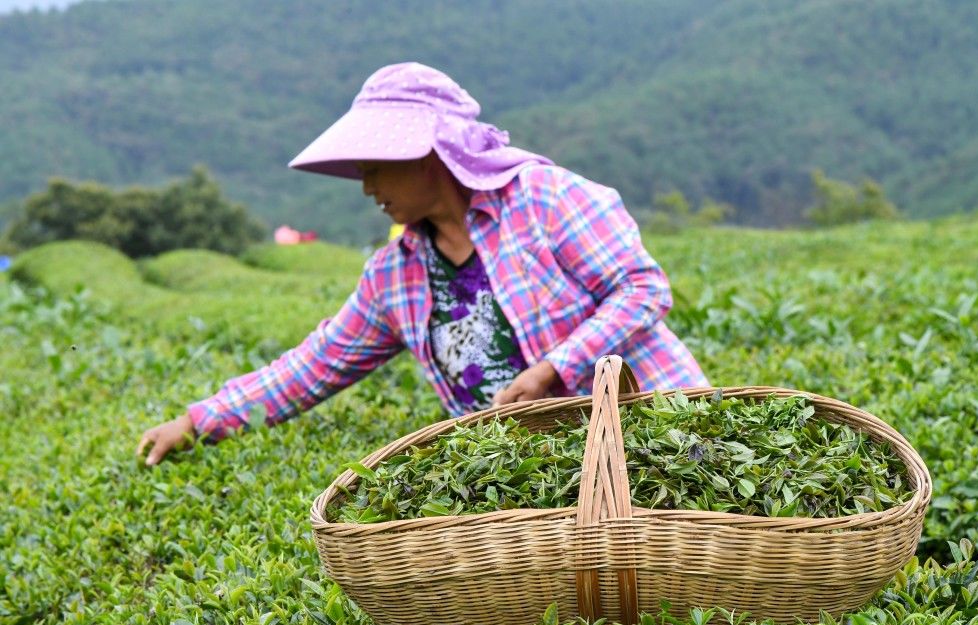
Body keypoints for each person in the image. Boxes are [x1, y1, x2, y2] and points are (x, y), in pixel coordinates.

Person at [136, 62, 708, 466]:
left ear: (427, 154)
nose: (368, 188)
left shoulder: (545, 199)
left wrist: (554, 369)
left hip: (659, 436)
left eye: (375, 167)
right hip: (540, 476)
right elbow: (313, 366)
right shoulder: (396, 275)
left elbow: (642, 288)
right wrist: (199, 421)